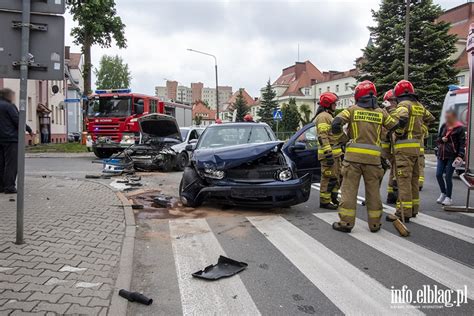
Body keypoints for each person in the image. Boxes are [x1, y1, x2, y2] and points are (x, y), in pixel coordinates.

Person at [331, 81, 401, 233]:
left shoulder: (351, 110)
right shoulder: (380, 112)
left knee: (349, 191)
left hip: (352, 159)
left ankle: (346, 223)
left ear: (358, 96)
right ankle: (375, 224)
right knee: (373, 193)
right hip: (373, 160)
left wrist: (343, 140)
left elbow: (336, 123)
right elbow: (394, 125)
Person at [386, 80, 435, 223]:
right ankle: (413, 209)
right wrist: (422, 130)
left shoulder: (404, 105)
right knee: (414, 179)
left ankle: (403, 212)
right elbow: (430, 118)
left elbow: (402, 117)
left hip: (404, 148)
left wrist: (400, 131)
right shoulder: (419, 106)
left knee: (403, 180)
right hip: (416, 148)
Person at [0, 88, 33, 194]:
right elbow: (18, 120)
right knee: (11, 164)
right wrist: (29, 130)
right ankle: (9, 186)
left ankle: (1, 186)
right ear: (8, 96)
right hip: (11, 139)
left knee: (1, 163)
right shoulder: (9, 106)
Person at [314, 92, 343, 209]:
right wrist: (328, 154)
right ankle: (325, 201)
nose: (335, 105)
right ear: (328, 104)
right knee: (328, 177)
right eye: (334, 103)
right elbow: (323, 136)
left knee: (337, 177)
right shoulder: (323, 117)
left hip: (335, 153)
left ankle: (333, 197)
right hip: (329, 154)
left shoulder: (329, 116)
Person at [436, 110, 465, 206]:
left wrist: (460, 155)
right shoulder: (444, 126)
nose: (447, 118)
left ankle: (449, 197)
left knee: (448, 176)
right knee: (438, 174)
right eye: (446, 116)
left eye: (449, 117)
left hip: (452, 155)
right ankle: (443, 193)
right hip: (441, 154)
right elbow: (438, 139)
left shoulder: (459, 128)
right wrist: (441, 139)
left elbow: (462, 143)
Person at [381, 90, 398, 204]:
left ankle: (392, 195)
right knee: (377, 173)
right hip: (385, 147)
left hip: (392, 147)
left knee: (395, 171)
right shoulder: (383, 113)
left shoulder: (394, 113)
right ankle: (371, 197)